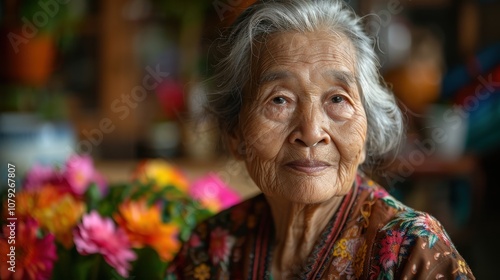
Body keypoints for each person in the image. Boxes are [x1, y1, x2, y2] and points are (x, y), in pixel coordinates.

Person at [166, 0, 475, 279]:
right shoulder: (212, 246)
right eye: (279, 100)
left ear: (366, 134)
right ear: (235, 134)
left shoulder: (411, 252)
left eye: (338, 99)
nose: (312, 132)